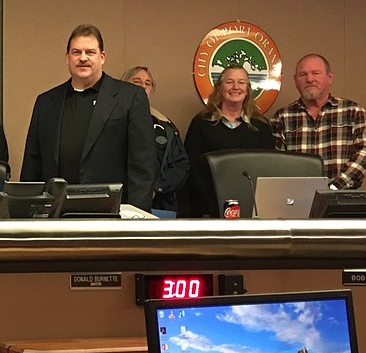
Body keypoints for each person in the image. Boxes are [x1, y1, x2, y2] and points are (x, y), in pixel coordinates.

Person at [21, 25, 157, 211]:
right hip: (55, 214)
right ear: (67, 58)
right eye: (76, 52)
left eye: (90, 52)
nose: (83, 58)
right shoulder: (46, 102)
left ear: (102, 57)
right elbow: (32, 164)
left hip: (111, 214)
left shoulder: (130, 98)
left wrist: (134, 218)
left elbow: (143, 167)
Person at [182, 65, 275, 217]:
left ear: (248, 89)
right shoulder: (201, 123)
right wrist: (213, 200)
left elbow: (268, 170)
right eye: (230, 82)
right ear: (220, 88)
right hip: (208, 210)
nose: (236, 87)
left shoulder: (261, 127)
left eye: (241, 82)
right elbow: (191, 167)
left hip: (251, 211)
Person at [271, 53, 366, 190]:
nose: (309, 79)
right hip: (297, 202)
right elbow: (277, 164)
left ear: (330, 78)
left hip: (342, 200)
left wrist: (333, 188)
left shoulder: (353, 112)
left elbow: (363, 153)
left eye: (316, 73)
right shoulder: (282, 117)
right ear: (295, 80)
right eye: (303, 74)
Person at [122, 66, 189, 218]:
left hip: (161, 205)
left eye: (148, 83)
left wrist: (157, 188)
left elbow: (181, 165)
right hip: (123, 203)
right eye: (136, 82)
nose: (143, 87)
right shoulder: (112, 121)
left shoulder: (165, 126)